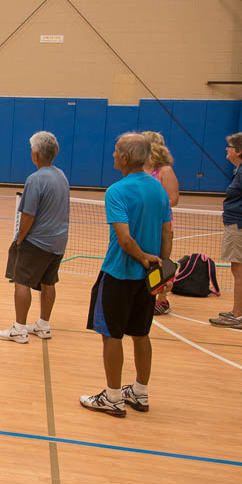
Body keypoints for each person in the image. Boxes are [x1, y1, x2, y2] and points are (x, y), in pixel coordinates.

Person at [81, 133, 171, 416]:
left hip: (119, 274)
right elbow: (167, 232)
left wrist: (144, 258)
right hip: (148, 279)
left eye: (115, 151)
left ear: (125, 158)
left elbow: (124, 239)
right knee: (141, 334)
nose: (112, 155)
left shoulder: (117, 191)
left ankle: (112, 396)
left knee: (112, 336)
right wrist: (162, 266)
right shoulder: (158, 189)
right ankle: (140, 393)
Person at [0, 131, 70, 343]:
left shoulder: (35, 179)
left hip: (37, 242)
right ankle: (43, 325)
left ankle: (19, 328)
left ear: (35, 154)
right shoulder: (61, 175)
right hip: (58, 242)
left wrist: (20, 240)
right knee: (49, 282)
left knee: (21, 281)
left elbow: (28, 215)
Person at [210, 132, 242, 329]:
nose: (227, 149)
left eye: (230, 147)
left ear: (239, 151)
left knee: (239, 270)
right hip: (241, 224)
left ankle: (236, 316)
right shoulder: (241, 169)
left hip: (240, 226)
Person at [142, 130, 179, 315]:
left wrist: (153, 207)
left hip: (162, 226)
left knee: (162, 262)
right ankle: (145, 295)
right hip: (143, 224)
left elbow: (173, 198)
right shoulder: (140, 169)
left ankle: (162, 300)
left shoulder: (165, 170)